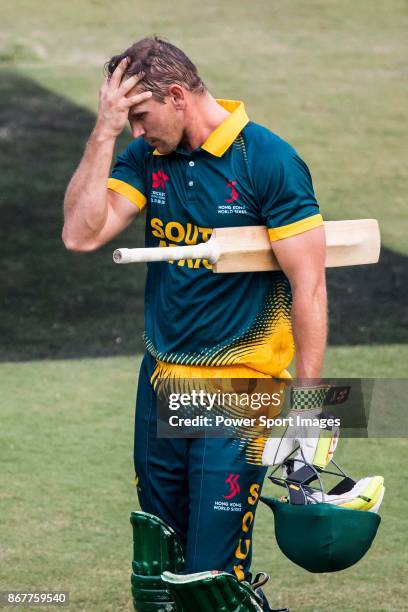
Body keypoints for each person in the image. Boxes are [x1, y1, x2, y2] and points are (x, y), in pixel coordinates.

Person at [62, 37, 326, 611]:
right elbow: (81, 235)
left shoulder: (267, 160)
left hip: (241, 390)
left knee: (211, 579)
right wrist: (104, 132)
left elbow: (310, 285)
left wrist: (307, 408)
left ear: (177, 96)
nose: (137, 131)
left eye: (139, 116)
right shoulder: (145, 157)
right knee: (157, 572)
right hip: (160, 385)